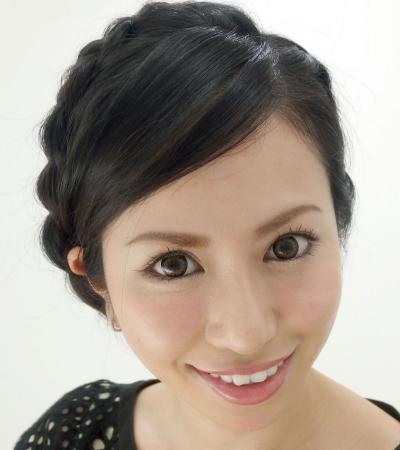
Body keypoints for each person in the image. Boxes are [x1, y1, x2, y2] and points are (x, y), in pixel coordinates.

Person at [14, 1, 400, 449]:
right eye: (174, 264)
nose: (245, 335)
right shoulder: (73, 434)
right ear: (98, 282)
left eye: (287, 246)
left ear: (338, 226)